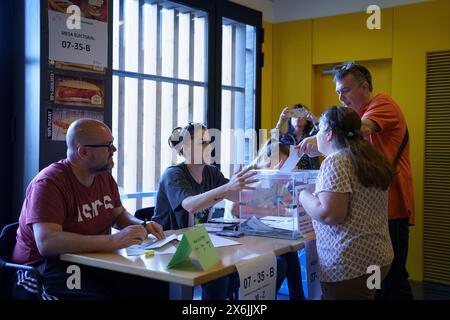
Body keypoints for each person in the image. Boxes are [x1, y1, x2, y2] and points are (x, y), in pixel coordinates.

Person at [11, 119, 168, 299]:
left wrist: (143, 224)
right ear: (83, 152)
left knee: (151, 285)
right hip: (44, 267)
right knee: (97, 297)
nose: (114, 150)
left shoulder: (104, 177)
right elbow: (48, 243)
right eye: (108, 146)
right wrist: (114, 241)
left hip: (91, 260)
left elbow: (118, 215)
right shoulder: (48, 183)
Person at [299, 63, 415, 300]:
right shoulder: (350, 132)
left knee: (393, 286)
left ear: (364, 86)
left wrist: (321, 138)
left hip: (392, 210)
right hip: (375, 219)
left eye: (345, 90)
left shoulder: (382, 104)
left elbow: (354, 130)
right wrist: (324, 138)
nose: (341, 97)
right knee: (377, 289)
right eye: (338, 93)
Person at [151, 123, 288, 300]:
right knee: (220, 277)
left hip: (197, 243)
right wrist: (227, 188)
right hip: (169, 246)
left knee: (271, 264)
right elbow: (191, 205)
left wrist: (270, 175)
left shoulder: (211, 173)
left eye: (209, 141)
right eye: (203, 142)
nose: (209, 147)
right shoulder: (173, 174)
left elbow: (241, 196)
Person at [299, 106, 395, 299]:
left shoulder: (336, 162)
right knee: (366, 296)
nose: (316, 136)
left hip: (350, 265)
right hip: (377, 259)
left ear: (329, 134)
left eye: (319, 131)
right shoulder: (369, 156)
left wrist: (301, 194)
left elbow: (329, 214)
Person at [274, 104, 320, 169]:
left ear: (307, 119)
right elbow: (273, 146)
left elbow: (324, 136)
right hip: (289, 174)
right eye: (294, 115)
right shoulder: (285, 137)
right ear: (290, 119)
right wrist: (280, 123)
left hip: (310, 174)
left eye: (301, 115)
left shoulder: (312, 135)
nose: (298, 118)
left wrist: (313, 119)